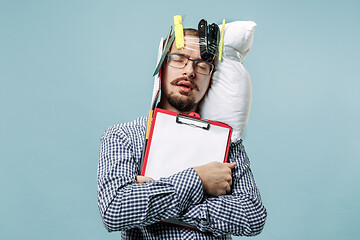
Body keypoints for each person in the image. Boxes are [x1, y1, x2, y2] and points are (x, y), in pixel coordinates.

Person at [97, 27, 267, 239]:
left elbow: (253, 215)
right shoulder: (123, 136)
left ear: (211, 78)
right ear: (162, 66)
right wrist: (199, 180)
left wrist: (155, 197)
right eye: (179, 59)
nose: (190, 71)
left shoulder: (227, 142)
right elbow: (116, 210)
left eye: (202, 65)